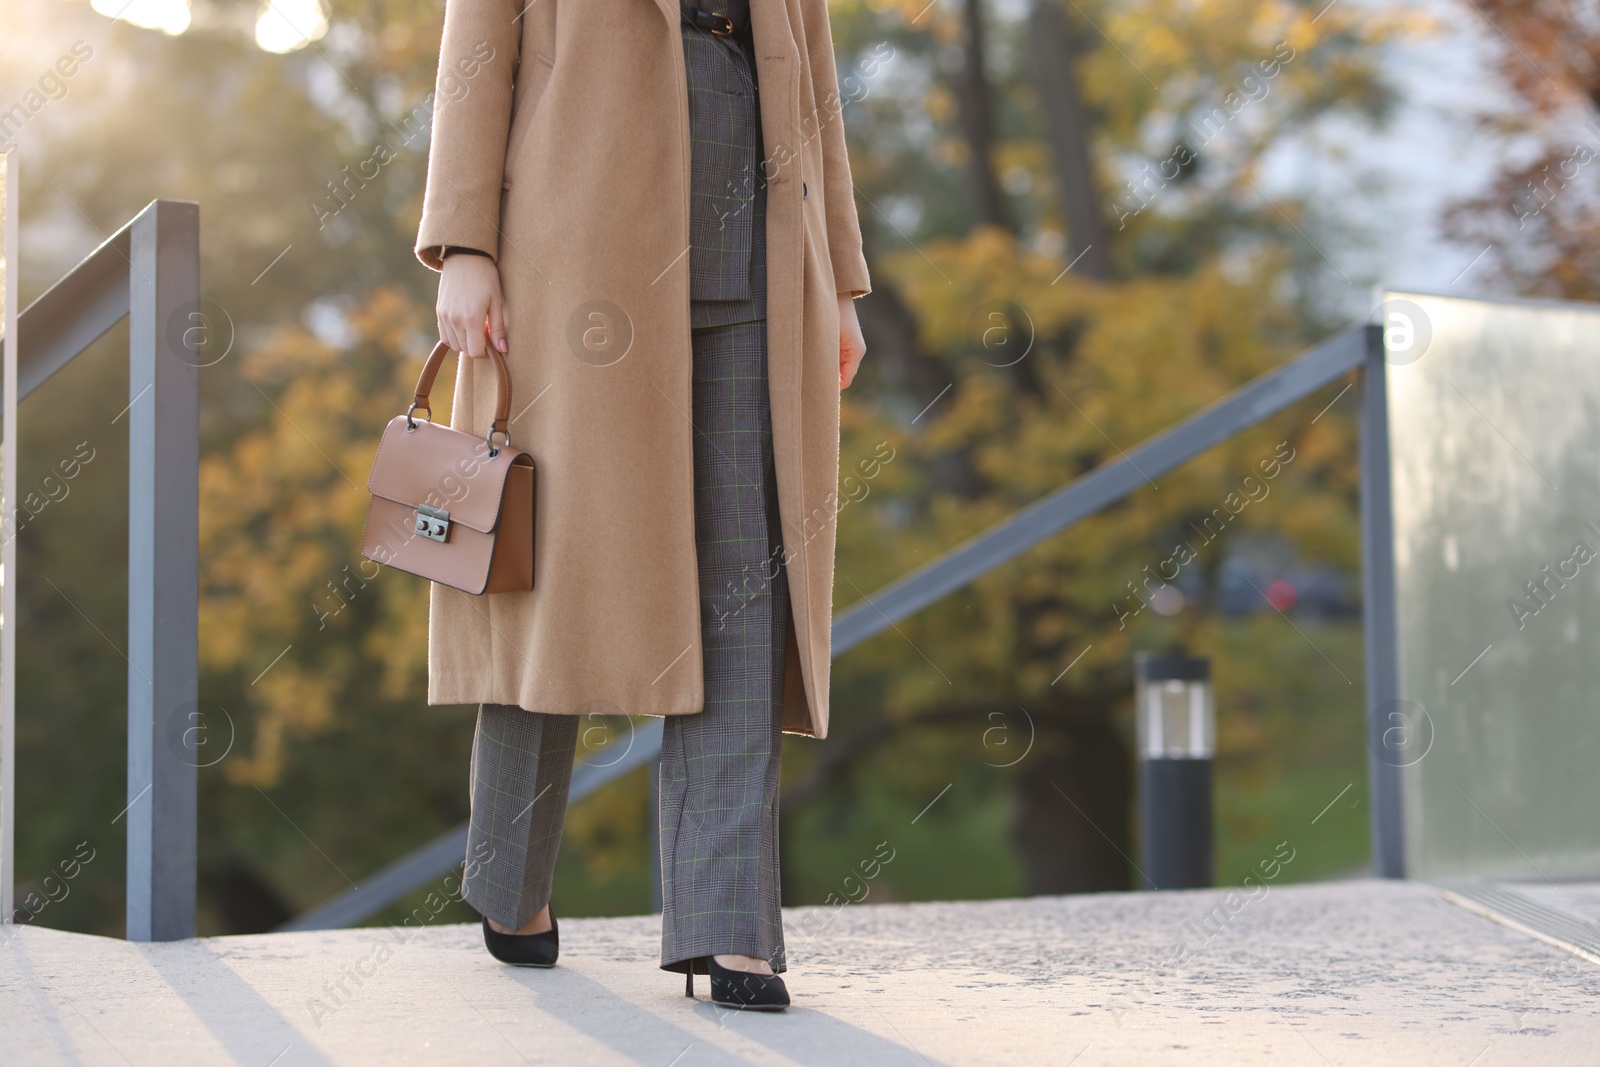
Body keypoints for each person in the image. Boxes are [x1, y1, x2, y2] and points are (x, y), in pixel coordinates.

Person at [415, 0, 871, 1011]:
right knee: (554, 573)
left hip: (759, 244)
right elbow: (476, 49)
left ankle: (729, 928)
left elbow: (814, 72)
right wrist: (462, 244)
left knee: (744, 580)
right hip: (574, 247)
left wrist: (838, 271)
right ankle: (507, 877)